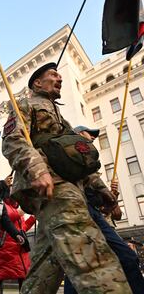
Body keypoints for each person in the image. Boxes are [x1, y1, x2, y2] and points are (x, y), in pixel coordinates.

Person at [1, 62, 131, 294]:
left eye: (60, 75)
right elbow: (13, 141)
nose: (59, 78)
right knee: (86, 245)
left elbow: (80, 159)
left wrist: (102, 190)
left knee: (46, 265)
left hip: (69, 185)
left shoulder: (63, 121)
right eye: (53, 75)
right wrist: (37, 170)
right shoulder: (25, 104)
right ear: (37, 83)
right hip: (52, 185)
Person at [62, 126, 144, 294]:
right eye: (88, 133)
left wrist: (111, 197)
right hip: (76, 214)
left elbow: (111, 212)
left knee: (127, 258)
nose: (92, 137)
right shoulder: (70, 156)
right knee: (80, 266)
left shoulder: (91, 171)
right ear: (77, 135)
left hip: (96, 218)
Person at [0, 198, 35, 290]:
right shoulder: (2, 204)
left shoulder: (17, 208)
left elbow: (22, 228)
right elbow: (5, 219)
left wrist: (33, 218)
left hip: (19, 251)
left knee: (24, 279)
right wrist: (20, 212)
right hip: (6, 250)